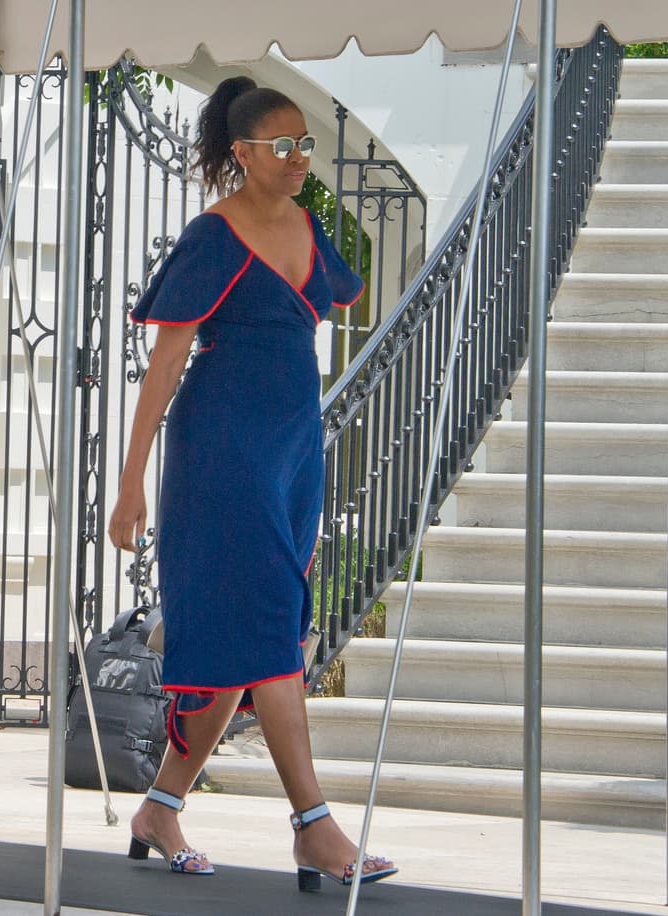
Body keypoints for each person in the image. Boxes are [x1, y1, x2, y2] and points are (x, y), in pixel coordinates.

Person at [107, 76, 397, 889]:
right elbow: (164, 363)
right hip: (223, 453)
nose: (300, 156)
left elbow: (336, 299)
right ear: (242, 154)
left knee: (248, 643)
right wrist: (130, 484)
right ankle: (314, 826)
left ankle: (160, 806)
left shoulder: (310, 224)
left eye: (305, 143)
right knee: (270, 631)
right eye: (283, 145)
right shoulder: (213, 235)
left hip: (292, 453)